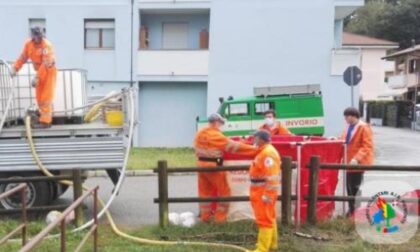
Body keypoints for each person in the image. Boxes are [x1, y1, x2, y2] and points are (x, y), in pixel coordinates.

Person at [194, 113, 258, 223]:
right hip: (213, 166)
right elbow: (234, 147)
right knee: (224, 192)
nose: (221, 125)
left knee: (204, 193)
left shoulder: (200, 133)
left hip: (200, 165)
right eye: (221, 123)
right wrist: (254, 149)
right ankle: (220, 219)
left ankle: (205, 218)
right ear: (216, 122)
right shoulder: (216, 135)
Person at [11, 27, 57, 129]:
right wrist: (15, 68)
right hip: (39, 73)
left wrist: (37, 78)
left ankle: (46, 122)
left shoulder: (46, 46)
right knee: (39, 97)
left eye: (40, 36)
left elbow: (45, 64)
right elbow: (23, 57)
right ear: (32, 36)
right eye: (36, 36)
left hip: (49, 72)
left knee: (46, 97)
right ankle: (43, 118)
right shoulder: (28, 44)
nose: (38, 38)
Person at [249, 130, 281, 252]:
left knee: (264, 220)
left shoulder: (267, 153)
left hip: (263, 192)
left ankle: (262, 249)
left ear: (261, 139)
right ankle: (272, 245)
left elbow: (272, 177)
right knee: (269, 217)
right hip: (260, 190)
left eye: (255, 137)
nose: (253, 140)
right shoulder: (265, 151)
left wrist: (267, 195)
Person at [340, 107, 374, 216]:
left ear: (353, 116)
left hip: (358, 163)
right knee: (349, 187)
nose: (345, 118)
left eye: (346, 116)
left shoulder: (363, 127)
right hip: (349, 162)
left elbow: (367, 146)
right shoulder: (349, 127)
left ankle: (354, 211)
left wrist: (357, 158)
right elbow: (344, 140)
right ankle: (351, 210)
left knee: (355, 187)